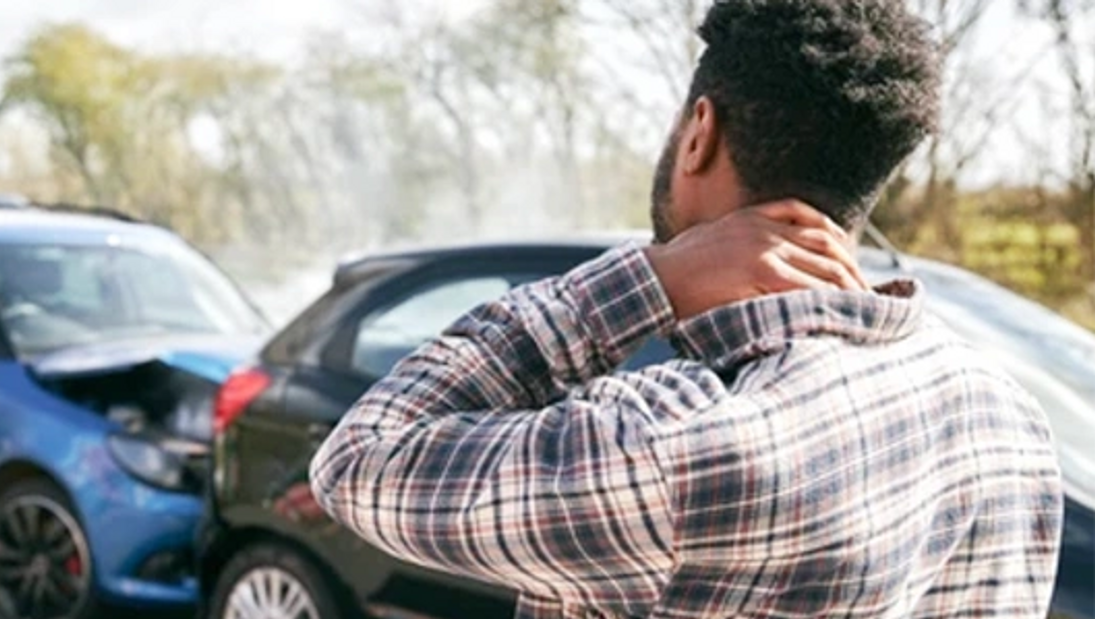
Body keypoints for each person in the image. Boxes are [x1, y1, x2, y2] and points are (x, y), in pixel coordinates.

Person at [309, 0, 1064, 617]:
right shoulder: (1006, 417)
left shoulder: (674, 443)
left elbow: (361, 459)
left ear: (699, 131)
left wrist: (648, 279)